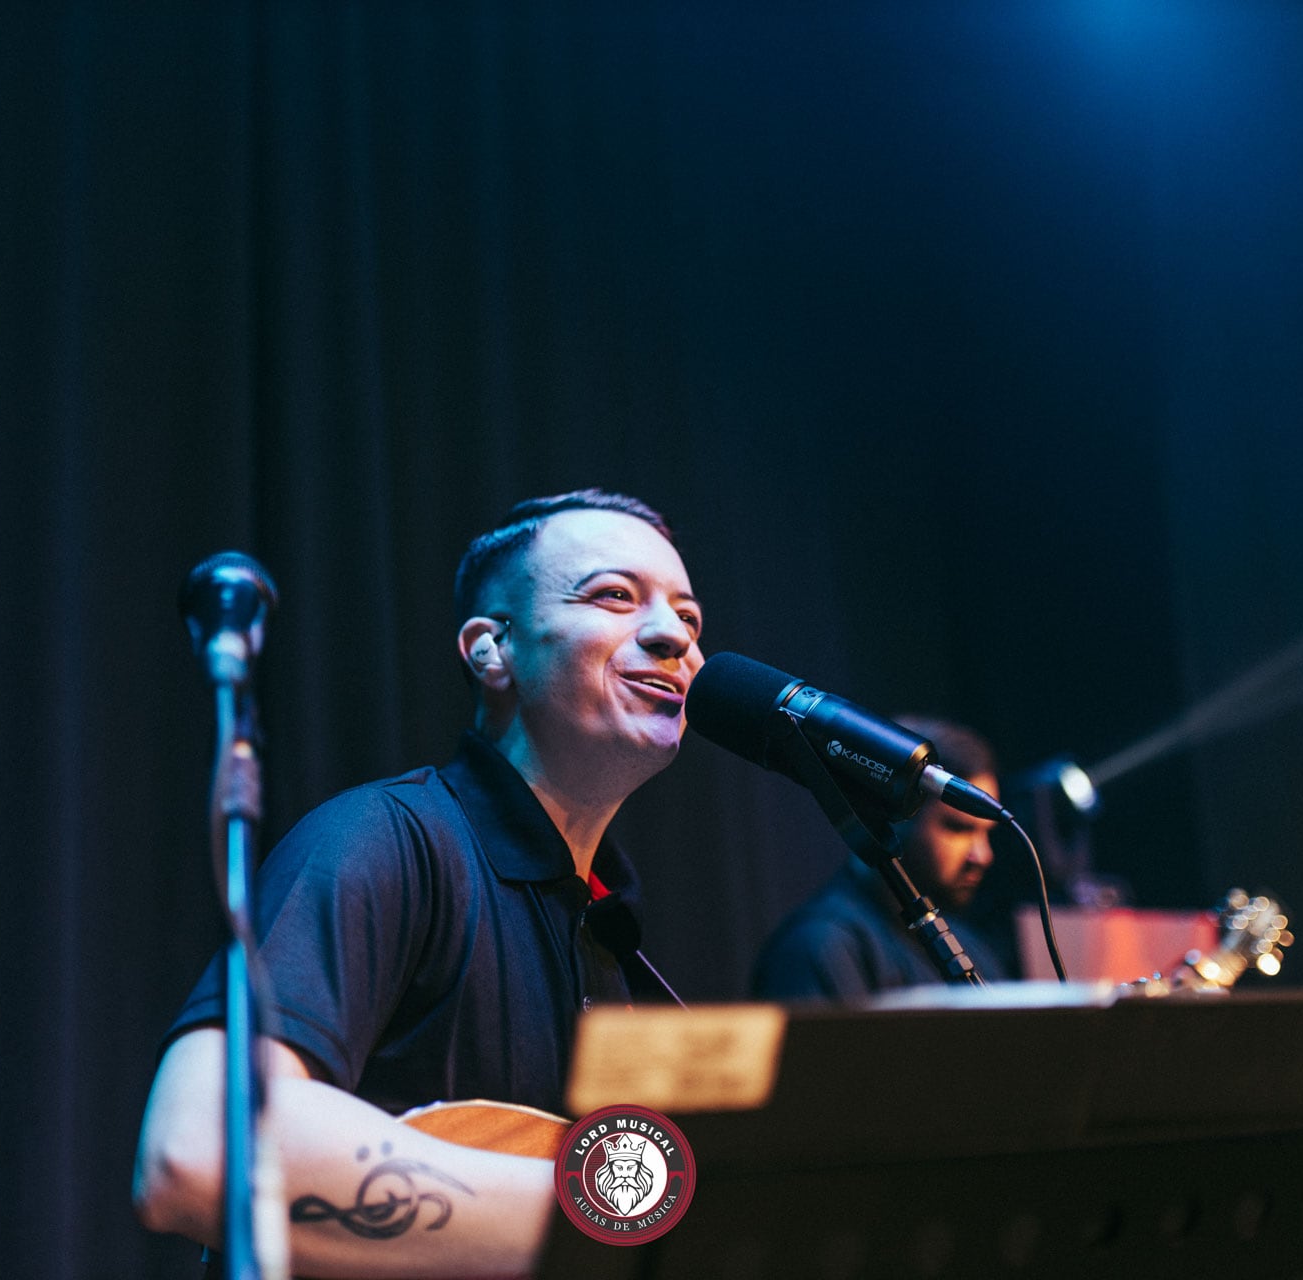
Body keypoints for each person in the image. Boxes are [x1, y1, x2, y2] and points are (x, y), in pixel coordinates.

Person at [133, 489, 705, 1278]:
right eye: (614, 595)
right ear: (490, 650)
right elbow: (199, 1147)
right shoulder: (385, 839)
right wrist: (631, 1221)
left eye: (690, 618)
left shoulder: (612, 939)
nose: (675, 636)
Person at [751, 717, 1012, 999]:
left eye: (986, 833)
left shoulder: (973, 950)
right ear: (895, 817)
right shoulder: (820, 945)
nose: (983, 856)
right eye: (958, 828)